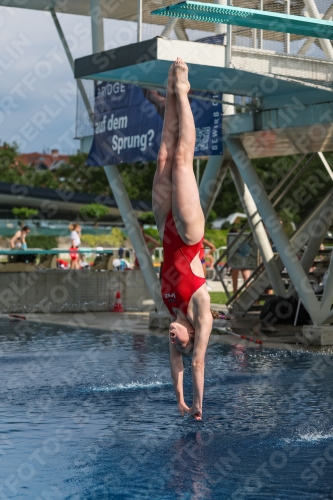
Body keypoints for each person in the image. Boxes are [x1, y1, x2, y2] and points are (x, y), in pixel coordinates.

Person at [152, 58, 213, 421]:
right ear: (190, 334)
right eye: (179, 340)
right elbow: (196, 365)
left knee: (162, 155)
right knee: (180, 160)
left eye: (172, 341)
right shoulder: (200, 312)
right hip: (188, 235)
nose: (172, 338)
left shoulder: (170, 311)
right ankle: (185, 91)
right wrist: (197, 404)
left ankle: (170, 93)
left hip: (165, 229)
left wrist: (178, 400)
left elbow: (175, 364)